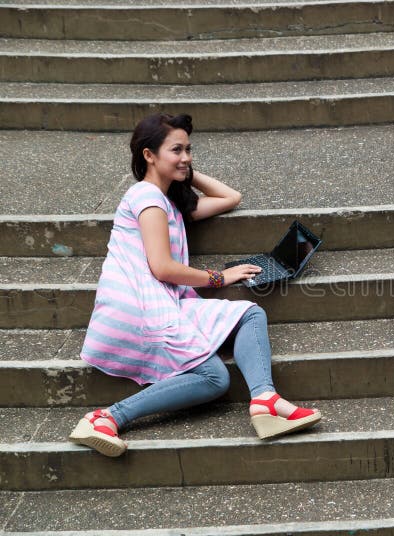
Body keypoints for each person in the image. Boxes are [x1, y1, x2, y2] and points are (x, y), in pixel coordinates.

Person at [68, 113, 321, 457]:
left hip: (165, 302)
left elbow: (231, 197)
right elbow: (162, 267)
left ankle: (264, 400)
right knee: (215, 378)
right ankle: (105, 417)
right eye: (176, 149)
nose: (186, 156)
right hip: (141, 307)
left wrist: (180, 170)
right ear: (148, 154)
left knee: (249, 313)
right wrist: (219, 277)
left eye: (189, 149)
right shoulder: (147, 198)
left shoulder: (166, 200)